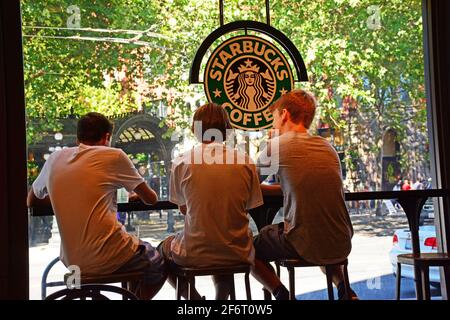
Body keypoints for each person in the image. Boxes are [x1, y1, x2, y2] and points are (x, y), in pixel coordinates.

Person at [27, 112, 166, 299]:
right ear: (107, 137)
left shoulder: (55, 158)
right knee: (157, 263)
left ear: (78, 138)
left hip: (72, 261)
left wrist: (66, 197)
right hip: (111, 255)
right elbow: (151, 198)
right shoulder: (113, 155)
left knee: (133, 257)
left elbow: (31, 200)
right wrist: (133, 194)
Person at [253, 89, 358, 300]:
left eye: (273, 116)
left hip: (302, 241)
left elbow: (248, 187)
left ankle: (281, 294)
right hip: (341, 239)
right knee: (320, 239)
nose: (273, 123)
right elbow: (302, 186)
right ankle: (346, 291)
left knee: (247, 249)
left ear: (284, 114)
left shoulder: (276, 147)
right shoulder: (328, 148)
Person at [158, 103, 263, 300]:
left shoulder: (182, 161)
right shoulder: (244, 160)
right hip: (238, 252)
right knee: (221, 242)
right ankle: (220, 301)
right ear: (227, 130)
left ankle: (194, 300)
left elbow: (183, 208)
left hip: (194, 252)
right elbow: (248, 206)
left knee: (162, 249)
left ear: (195, 130)